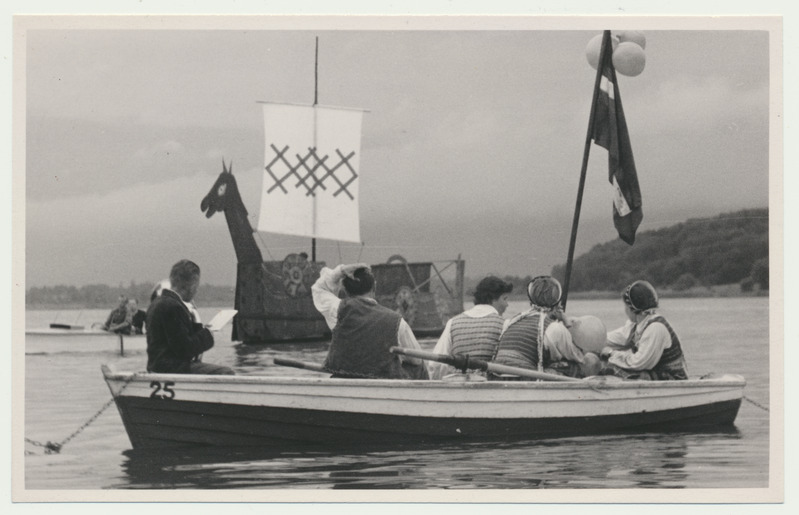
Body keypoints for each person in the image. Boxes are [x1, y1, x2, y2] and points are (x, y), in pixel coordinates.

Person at [312, 263, 429, 379]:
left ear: (345, 290)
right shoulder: (397, 322)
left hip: (345, 380)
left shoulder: (337, 310)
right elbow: (417, 360)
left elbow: (319, 288)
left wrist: (341, 270)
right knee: (419, 366)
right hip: (384, 386)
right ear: (374, 287)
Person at [491, 276, 600, 378]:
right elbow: (578, 357)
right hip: (524, 377)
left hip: (496, 375)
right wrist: (566, 322)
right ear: (557, 303)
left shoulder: (512, 321)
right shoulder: (554, 328)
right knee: (589, 361)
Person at [146, 259, 234, 375]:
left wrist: (197, 323)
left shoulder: (157, 303)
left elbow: (178, 341)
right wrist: (208, 333)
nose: (196, 290)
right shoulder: (174, 307)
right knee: (226, 372)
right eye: (197, 285)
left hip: (157, 365)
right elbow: (185, 349)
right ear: (192, 285)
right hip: (172, 368)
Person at [599, 280, 688, 380]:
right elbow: (615, 338)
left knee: (609, 369)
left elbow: (638, 363)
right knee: (603, 364)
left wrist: (611, 353)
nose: (625, 310)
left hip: (672, 380)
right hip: (655, 376)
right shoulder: (637, 325)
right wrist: (590, 342)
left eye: (625, 306)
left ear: (631, 308)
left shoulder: (656, 328)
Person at [427, 276, 513, 380]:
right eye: (504, 299)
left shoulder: (453, 323)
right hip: (489, 388)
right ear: (492, 299)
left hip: (458, 386)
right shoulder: (505, 324)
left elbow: (435, 365)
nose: (507, 304)